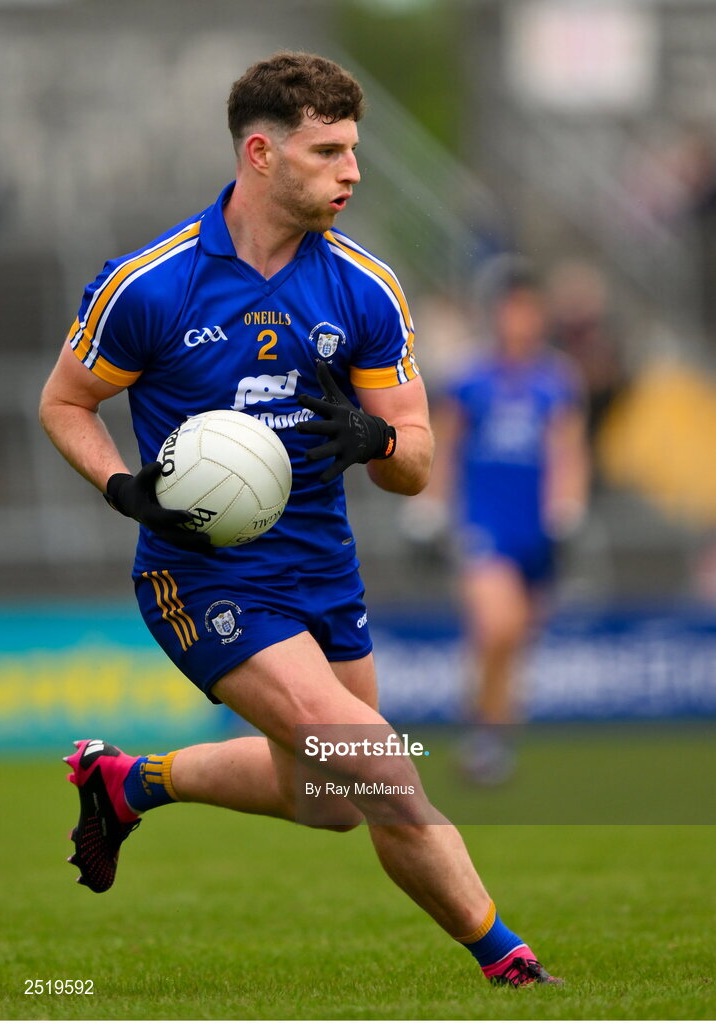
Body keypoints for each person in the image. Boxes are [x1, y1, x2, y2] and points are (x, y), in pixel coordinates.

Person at [39, 53, 561, 988]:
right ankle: (512, 964)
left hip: (323, 573)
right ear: (261, 154)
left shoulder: (365, 288)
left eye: (354, 150)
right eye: (329, 151)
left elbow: (418, 462)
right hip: (204, 577)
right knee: (383, 768)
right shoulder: (152, 285)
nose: (353, 171)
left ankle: (129, 782)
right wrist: (123, 487)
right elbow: (64, 403)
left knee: (329, 802)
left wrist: (372, 438)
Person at [425, 256, 589, 783]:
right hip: (483, 524)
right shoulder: (470, 380)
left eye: (527, 308)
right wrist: (428, 508)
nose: (518, 318)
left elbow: (568, 452)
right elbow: (444, 449)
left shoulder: (556, 381)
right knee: (497, 625)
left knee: (517, 641)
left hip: (535, 531)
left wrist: (567, 512)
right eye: (510, 308)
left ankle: (491, 740)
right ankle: (481, 732)